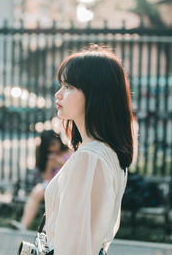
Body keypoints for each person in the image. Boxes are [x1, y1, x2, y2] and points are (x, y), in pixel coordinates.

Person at [44, 45, 135, 255]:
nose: (58, 94)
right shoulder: (107, 152)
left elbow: (72, 247)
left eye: (68, 86)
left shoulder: (89, 158)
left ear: (95, 93)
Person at [11, 130, 70, 230]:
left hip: (66, 186)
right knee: (37, 192)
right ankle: (24, 225)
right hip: (51, 186)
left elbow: (74, 173)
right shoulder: (48, 157)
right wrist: (50, 166)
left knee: (49, 194)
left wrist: (62, 164)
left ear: (58, 141)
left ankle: (49, 228)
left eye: (53, 144)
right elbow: (46, 178)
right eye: (49, 146)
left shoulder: (69, 153)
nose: (52, 148)